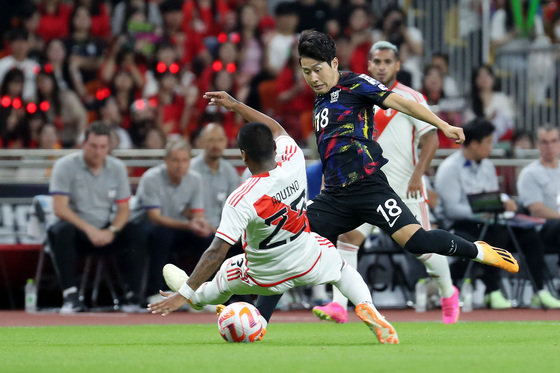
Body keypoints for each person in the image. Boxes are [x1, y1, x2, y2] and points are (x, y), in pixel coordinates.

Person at [254, 30, 519, 323]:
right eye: (306, 72)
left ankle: (478, 252)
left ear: (334, 63)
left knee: (419, 243)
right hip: (335, 197)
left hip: (372, 188)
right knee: (291, 245)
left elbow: (403, 102)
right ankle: (259, 318)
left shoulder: (356, 84)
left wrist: (442, 125)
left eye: (318, 70)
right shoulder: (320, 100)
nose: (313, 78)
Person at [148, 91, 400, 344]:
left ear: (244, 155)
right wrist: (236, 105)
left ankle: (190, 292)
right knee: (343, 269)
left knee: (217, 285)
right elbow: (277, 128)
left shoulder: (241, 198)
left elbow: (215, 252)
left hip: (263, 274)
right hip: (306, 258)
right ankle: (369, 308)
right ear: (273, 147)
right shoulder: (293, 158)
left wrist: (183, 294)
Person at [313, 41, 459, 325]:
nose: (381, 66)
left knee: (424, 249)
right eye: (376, 61)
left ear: (397, 65)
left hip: (406, 186)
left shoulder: (410, 97)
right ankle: (339, 304)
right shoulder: (354, 92)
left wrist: (419, 175)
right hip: (365, 183)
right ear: (368, 64)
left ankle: (447, 292)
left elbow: (429, 139)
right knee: (349, 238)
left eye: (387, 62)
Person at [435, 119, 560, 309]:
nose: (491, 147)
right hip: (459, 227)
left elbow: (493, 195)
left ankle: (539, 290)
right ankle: (491, 291)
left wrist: (503, 201)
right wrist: (482, 213)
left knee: (529, 235)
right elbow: (452, 209)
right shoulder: (449, 169)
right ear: (475, 144)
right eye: (489, 142)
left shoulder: (487, 166)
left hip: (490, 223)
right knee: (496, 234)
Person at [48, 122, 147, 313]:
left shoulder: (117, 168)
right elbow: (59, 208)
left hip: (106, 229)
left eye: (103, 147)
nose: (97, 152)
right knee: (61, 230)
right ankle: (70, 296)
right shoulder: (64, 166)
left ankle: (133, 296)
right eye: (93, 146)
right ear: (84, 144)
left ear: (108, 147)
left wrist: (112, 230)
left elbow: (123, 210)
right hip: (77, 229)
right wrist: (89, 230)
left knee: (137, 230)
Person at [133, 138, 214, 304]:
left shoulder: (195, 179)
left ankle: (202, 293)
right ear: (166, 161)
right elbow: (154, 217)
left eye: (185, 160)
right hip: (145, 226)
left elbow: (197, 214)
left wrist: (202, 225)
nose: (180, 165)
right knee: (162, 235)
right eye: (175, 160)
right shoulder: (151, 178)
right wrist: (189, 224)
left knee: (207, 239)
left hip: (177, 226)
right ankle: (156, 291)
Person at [517, 125, 560, 308]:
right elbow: (537, 209)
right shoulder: (530, 173)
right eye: (544, 142)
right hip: (540, 230)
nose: (549, 146)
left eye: (553, 141)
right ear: (537, 145)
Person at [190, 123, 240, 229]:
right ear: (201, 142)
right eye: (211, 140)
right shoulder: (190, 169)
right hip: (194, 229)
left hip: (222, 230)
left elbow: (236, 207)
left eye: (220, 140)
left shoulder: (230, 171)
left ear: (226, 142)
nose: (216, 145)